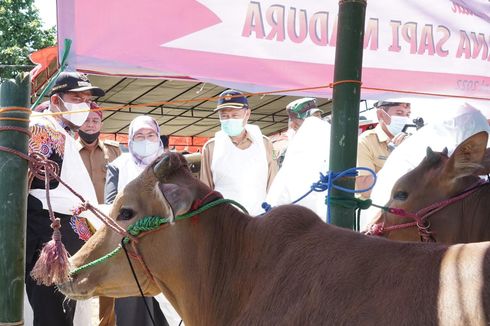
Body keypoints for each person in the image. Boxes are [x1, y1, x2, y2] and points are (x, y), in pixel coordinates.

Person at [26, 72, 102, 326]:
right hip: (49, 231)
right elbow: (41, 181)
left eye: (87, 100)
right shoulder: (43, 126)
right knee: (53, 313)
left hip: (63, 229)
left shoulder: (62, 130)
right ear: (56, 100)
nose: (84, 105)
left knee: (65, 311)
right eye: (76, 98)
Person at [360, 102, 490, 230]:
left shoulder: (423, 144)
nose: (404, 117)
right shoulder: (433, 154)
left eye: (407, 113)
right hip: (396, 224)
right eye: (399, 113)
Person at [104, 115, 179, 326]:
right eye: (139, 136)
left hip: (168, 252)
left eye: (151, 135)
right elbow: (110, 207)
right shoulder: (118, 166)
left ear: (159, 137)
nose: (146, 140)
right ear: (130, 139)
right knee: (134, 314)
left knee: (170, 313)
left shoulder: (171, 165)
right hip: (130, 254)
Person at [76, 102, 121, 326]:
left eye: (95, 120)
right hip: (79, 224)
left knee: (109, 277)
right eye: (86, 120)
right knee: (78, 275)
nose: (91, 125)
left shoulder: (114, 150)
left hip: (108, 224)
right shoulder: (69, 151)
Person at [200, 89, 277, 216]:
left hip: (259, 220)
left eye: (235, 115)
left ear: (247, 114)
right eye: (224, 116)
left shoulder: (264, 144)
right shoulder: (211, 147)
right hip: (225, 221)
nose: (229, 119)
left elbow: (273, 185)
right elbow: (206, 190)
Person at [266, 99, 331, 220]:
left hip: (310, 217)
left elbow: (283, 187)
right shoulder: (328, 135)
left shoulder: (306, 143)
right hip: (315, 215)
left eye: (317, 116)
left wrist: (272, 206)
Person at [356, 100, 412, 198]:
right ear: (381, 114)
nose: (404, 119)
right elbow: (365, 188)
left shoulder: (411, 141)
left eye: (407, 114)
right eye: (399, 113)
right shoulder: (365, 142)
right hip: (374, 209)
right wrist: (397, 158)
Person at [272, 98, 321, 168]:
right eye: (310, 119)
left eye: (318, 116)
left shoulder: (322, 140)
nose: (318, 121)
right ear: (294, 124)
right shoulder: (284, 147)